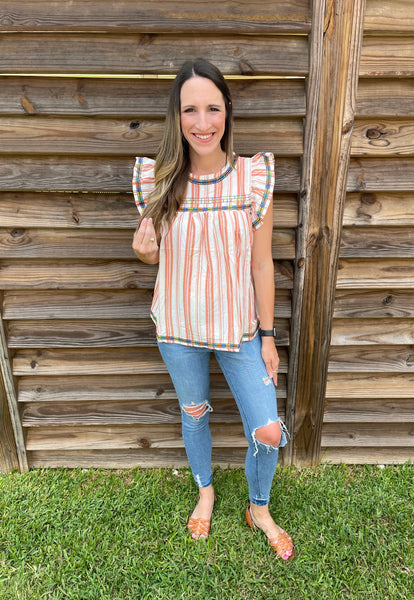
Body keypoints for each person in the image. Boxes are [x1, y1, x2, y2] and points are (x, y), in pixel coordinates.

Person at [132, 58, 294, 561]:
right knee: (194, 413)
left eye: (213, 108)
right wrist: (145, 253)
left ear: (227, 111)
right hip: (178, 326)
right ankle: (206, 491)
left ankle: (259, 508)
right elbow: (156, 252)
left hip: (239, 329)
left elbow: (262, 265)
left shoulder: (252, 178)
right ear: (176, 117)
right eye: (190, 110)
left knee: (267, 429)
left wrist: (267, 335)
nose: (203, 123)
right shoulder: (156, 182)